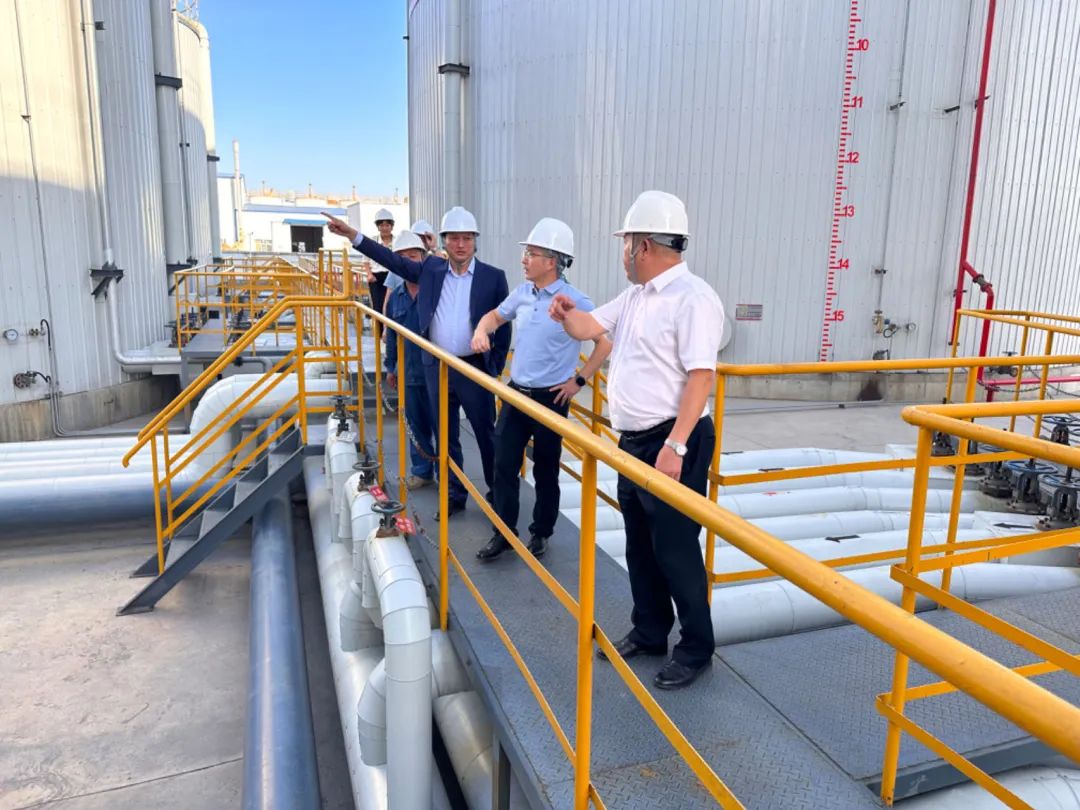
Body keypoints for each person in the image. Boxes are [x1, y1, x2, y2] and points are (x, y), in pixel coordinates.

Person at [549, 190, 723, 690]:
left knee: (675, 548)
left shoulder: (693, 299)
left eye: (625, 243)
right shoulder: (635, 297)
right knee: (640, 544)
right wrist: (565, 313)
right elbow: (589, 325)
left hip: (673, 441)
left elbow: (702, 377)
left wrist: (677, 446)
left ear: (642, 246)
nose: (623, 253)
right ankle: (650, 631)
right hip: (634, 442)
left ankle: (696, 648)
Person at [323, 206, 511, 520]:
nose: (461, 244)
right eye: (454, 238)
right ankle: (454, 494)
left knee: (486, 434)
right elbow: (390, 260)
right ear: (443, 241)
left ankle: (497, 493)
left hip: (474, 369)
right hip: (437, 367)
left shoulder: (493, 277)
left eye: (467, 238)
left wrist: (494, 368)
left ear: (475, 241)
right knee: (445, 437)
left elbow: (503, 326)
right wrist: (353, 235)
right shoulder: (430, 270)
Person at [470, 218, 611, 561]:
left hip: (551, 399)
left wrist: (578, 381)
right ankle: (504, 533)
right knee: (503, 465)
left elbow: (604, 344)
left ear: (552, 261)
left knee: (546, 470)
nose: (524, 260)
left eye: (531, 253)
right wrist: (481, 331)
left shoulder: (576, 301)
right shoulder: (522, 294)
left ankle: (541, 533)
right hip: (517, 395)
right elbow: (494, 317)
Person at [384, 230, 436, 489]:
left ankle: (448, 476)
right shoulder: (396, 298)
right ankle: (422, 471)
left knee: (442, 426)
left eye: (413, 256)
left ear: (423, 259)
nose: (408, 262)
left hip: (438, 374)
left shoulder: (438, 290)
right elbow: (392, 337)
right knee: (415, 425)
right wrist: (390, 368)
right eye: (402, 258)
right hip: (408, 371)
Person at [364, 207, 396, 314]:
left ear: (392, 226)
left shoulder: (397, 241)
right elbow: (365, 260)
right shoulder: (372, 241)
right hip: (376, 278)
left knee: (392, 305)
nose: (384, 228)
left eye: (387, 225)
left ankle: (390, 325)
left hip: (392, 275)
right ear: (378, 227)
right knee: (378, 307)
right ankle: (378, 325)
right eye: (381, 225)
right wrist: (369, 274)